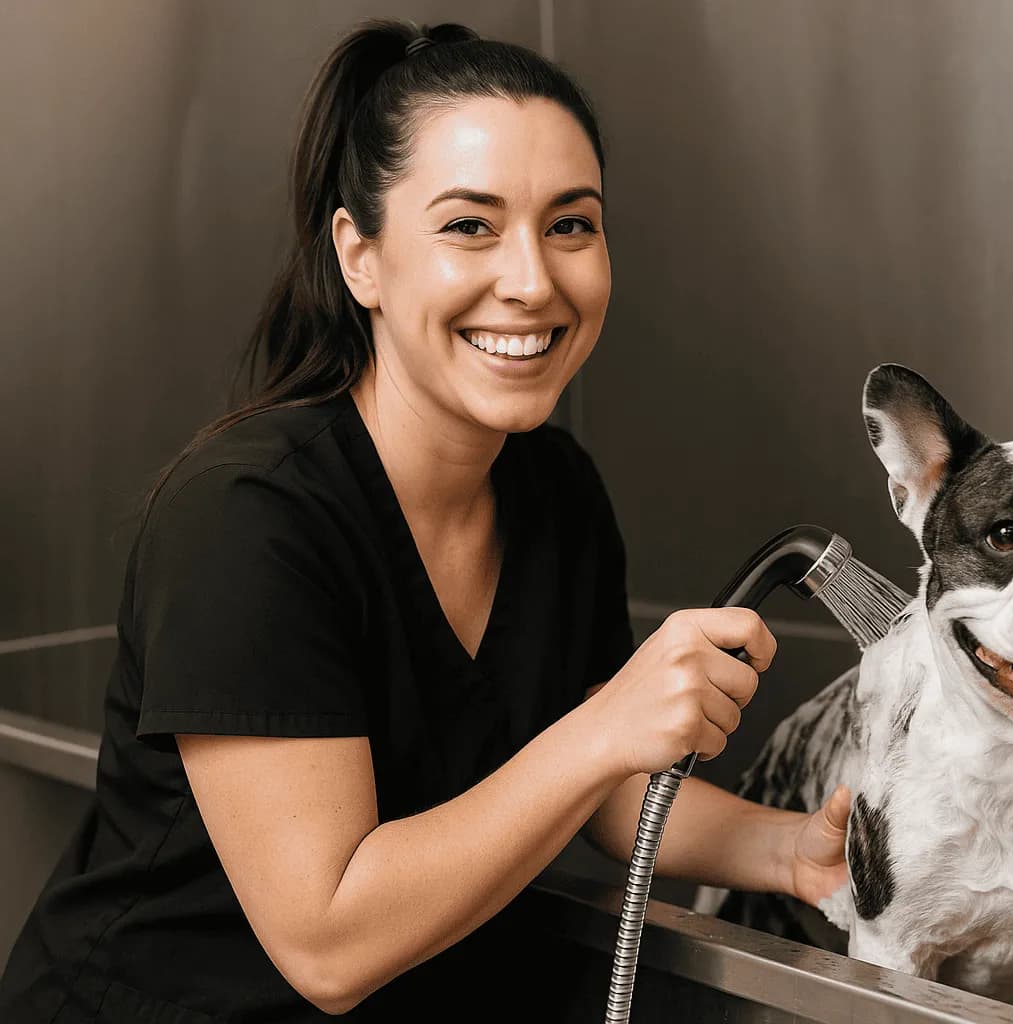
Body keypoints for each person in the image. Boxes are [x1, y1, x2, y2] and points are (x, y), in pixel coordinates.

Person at [0, 18, 852, 1021]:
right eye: (470, 226)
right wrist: (603, 728)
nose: (533, 280)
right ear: (359, 257)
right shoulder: (249, 519)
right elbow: (328, 937)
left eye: (571, 224)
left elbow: (605, 779)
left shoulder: (555, 491)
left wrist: (791, 849)